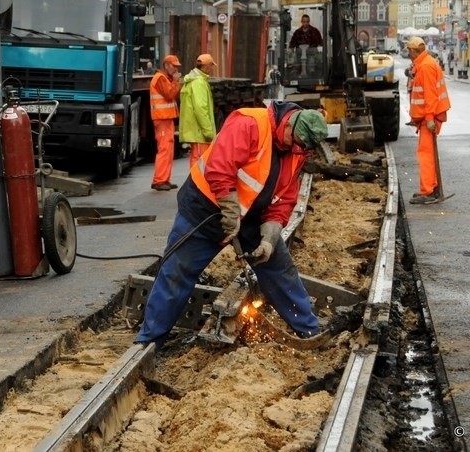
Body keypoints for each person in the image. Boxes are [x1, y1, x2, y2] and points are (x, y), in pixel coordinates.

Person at [134, 101, 328, 349]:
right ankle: (150, 340)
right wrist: (229, 209)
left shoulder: (297, 151)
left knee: (280, 269)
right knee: (177, 272)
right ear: (290, 121)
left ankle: (309, 332)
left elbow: (285, 198)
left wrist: (268, 239)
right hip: (204, 209)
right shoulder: (250, 122)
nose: (295, 148)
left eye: (302, 147)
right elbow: (219, 167)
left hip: (249, 217)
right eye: (295, 140)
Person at [406, 37, 451, 205]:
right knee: (428, 152)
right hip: (427, 117)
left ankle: (428, 191)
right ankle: (431, 187)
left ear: (414, 51)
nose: (407, 53)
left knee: (425, 154)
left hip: (429, 118)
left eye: (409, 50)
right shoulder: (425, 63)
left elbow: (430, 96)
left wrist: (430, 118)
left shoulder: (425, 66)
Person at [150, 54, 182, 191]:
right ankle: (159, 180)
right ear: (167, 65)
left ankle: (164, 179)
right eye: (174, 66)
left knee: (168, 149)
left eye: (176, 66)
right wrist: (176, 82)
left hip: (166, 118)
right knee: (164, 149)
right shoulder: (160, 78)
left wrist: (174, 82)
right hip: (162, 118)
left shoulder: (165, 78)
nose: (175, 69)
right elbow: (169, 95)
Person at [179, 54, 217, 169]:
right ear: (206, 67)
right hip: (199, 132)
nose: (212, 69)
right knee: (200, 161)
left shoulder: (193, 81)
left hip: (195, 130)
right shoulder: (199, 83)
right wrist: (208, 132)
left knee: (197, 159)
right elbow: (201, 109)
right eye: (212, 66)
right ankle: (197, 186)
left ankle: (196, 185)